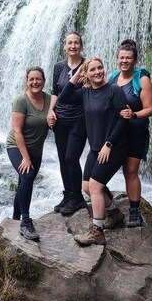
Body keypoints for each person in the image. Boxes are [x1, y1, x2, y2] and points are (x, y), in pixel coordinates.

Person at [57, 57, 129, 246]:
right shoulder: (85, 92)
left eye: (100, 68)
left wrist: (109, 144)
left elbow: (123, 119)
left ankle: (97, 231)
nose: (97, 72)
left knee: (96, 186)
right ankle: (113, 213)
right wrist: (75, 77)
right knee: (86, 186)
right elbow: (63, 98)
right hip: (96, 147)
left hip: (114, 146)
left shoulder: (114, 91)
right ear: (86, 74)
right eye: (92, 70)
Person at [108, 39, 152, 227]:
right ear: (117, 59)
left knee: (130, 171)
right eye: (121, 58)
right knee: (104, 170)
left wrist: (134, 114)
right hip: (116, 133)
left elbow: (149, 108)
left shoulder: (141, 79)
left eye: (128, 58)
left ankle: (134, 212)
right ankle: (111, 208)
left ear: (135, 60)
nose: (124, 61)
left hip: (136, 131)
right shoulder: (112, 77)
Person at [7, 67, 51, 240]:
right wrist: (25, 157)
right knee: (27, 176)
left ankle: (15, 219)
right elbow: (17, 131)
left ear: (43, 81)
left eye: (38, 79)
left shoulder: (49, 100)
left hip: (36, 150)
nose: (35, 82)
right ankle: (26, 221)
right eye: (31, 79)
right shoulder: (21, 100)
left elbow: (53, 119)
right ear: (27, 81)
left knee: (24, 180)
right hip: (16, 146)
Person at [47, 31, 88, 216]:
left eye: (76, 43)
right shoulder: (58, 67)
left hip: (79, 120)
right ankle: (68, 193)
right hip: (60, 119)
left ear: (81, 45)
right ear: (64, 46)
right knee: (63, 159)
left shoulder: (87, 65)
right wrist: (50, 111)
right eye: (69, 43)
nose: (73, 46)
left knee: (71, 157)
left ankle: (78, 198)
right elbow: (55, 91)